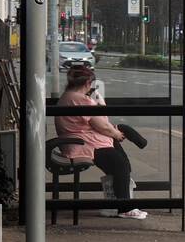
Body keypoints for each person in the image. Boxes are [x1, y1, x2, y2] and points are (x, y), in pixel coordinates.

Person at [55, 65, 146, 220]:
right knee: (121, 165)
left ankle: (116, 203)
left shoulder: (68, 96)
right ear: (88, 83)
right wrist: (114, 131)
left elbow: (99, 124)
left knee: (119, 158)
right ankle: (125, 207)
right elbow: (102, 124)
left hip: (80, 142)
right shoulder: (82, 100)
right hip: (83, 145)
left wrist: (115, 133)